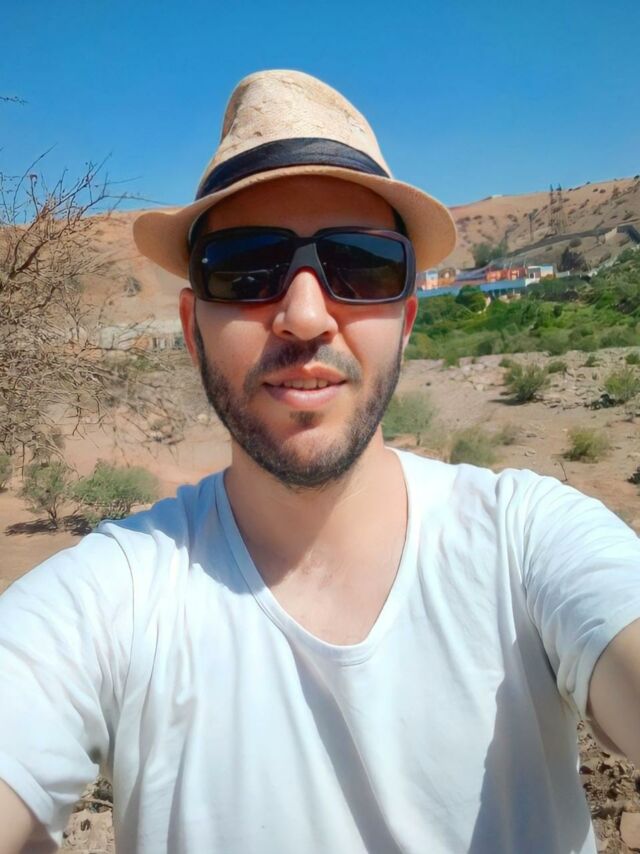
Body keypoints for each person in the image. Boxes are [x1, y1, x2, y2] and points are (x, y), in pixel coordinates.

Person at [0, 69, 639, 854]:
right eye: (245, 267)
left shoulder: (528, 540)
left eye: (361, 264)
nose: (305, 316)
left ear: (405, 320)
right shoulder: (115, 595)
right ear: (193, 329)